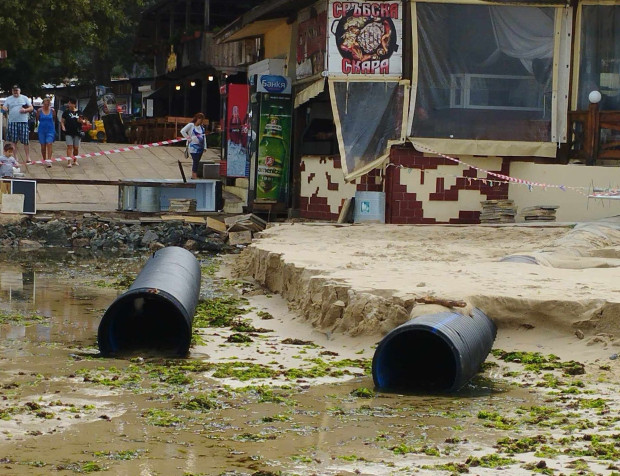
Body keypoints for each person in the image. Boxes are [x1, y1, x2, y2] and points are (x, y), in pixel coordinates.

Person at [1, 85, 33, 164]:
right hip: (12, 122)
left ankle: (27, 157)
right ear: (12, 91)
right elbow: (4, 107)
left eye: (17, 90)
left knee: (25, 140)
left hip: (23, 121)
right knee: (13, 141)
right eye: (14, 91)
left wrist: (25, 110)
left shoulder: (24, 98)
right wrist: (4, 108)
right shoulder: (9, 99)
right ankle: (15, 158)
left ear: (19, 91)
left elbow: (31, 108)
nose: (15, 92)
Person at [61, 98, 87, 168]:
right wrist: (63, 126)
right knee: (69, 146)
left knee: (76, 147)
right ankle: (69, 162)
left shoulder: (79, 112)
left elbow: (84, 121)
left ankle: (75, 160)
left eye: (70, 103)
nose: (69, 105)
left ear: (74, 104)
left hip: (77, 132)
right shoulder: (66, 112)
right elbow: (62, 121)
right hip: (68, 132)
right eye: (68, 103)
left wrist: (81, 121)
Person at [180, 112, 207, 179]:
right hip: (193, 147)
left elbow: (204, 137)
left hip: (200, 146)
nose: (201, 121)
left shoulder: (202, 128)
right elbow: (182, 131)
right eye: (200, 119)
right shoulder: (191, 125)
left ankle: (194, 173)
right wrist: (188, 138)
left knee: (197, 161)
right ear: (197, 118)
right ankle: (194, 174)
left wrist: (205, 146)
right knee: (195, 160)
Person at [36, 97, 56, 168]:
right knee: (43, 145)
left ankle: (49, 160)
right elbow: (37, 119)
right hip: (42, 129)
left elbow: (54, 118)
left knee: (49, 143)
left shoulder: (52, 110)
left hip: (50, 129)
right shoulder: (39, 110)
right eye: (45, 104)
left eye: (48, 104)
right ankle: (44, 159)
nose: (46, 105)